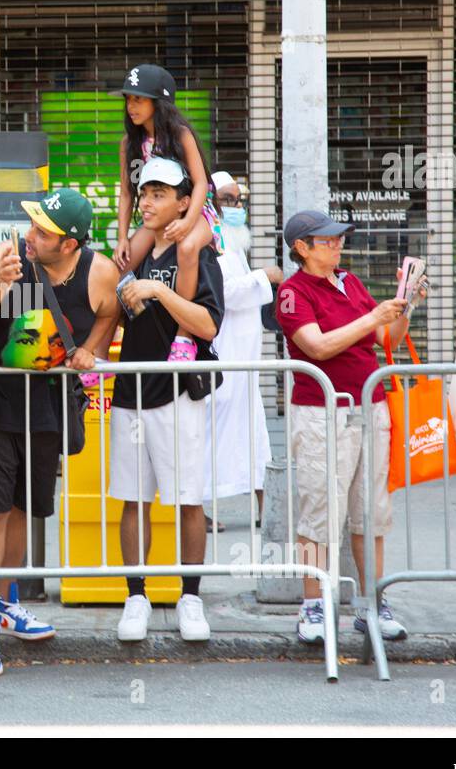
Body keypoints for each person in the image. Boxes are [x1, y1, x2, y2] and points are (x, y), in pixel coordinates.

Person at [0, 187, 121, 676]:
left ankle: (6, 603)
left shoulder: (99, 271)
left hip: (47, 409)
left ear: (69, 244)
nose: (30, 236)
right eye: (31, 225)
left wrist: (90, 348)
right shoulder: (7, 257)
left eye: (42, 232)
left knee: (24, 510)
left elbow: (111, 312)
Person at [275, 209, 420, 645]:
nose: (338, 245)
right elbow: (316, 346)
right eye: (327, 240)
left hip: (369, 405)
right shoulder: (292, 291)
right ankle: (314, 605)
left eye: (339, 239)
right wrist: (374, 318)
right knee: (320, 508)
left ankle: (372, 603)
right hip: (323, 410)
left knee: (370, 510)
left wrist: (404, 302)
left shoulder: (350, 282)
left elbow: (387, 340)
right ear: (301, 248)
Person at [109, 158, 225, 643]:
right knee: (133, 499)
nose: (151, 201)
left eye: (163, 193)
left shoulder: (198, 251)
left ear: (185, 202)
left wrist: (158, 290)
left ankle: (190, 598)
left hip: (178, 394)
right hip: (131, 390)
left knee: (186, 499)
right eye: (146, 193)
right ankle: (136, 596)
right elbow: (109, 314)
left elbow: (208, 324)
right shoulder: (131, 253)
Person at [112, 63, 217, 365]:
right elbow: (127, 193)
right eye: (128, 99)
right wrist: (121, 237)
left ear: (159, 103)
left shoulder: (180, 134)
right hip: (158, 217)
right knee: (121, 262)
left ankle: (184, 338)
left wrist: (186, 222)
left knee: (186, 248)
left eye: (139, 99)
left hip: (198, 212)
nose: (131, 106)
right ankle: (104, 346)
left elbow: (201, 185)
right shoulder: (129, 143)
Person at [202, 171, 280, 527]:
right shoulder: (209, 243)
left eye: (238, 200)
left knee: (254, 436)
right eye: (228, 200)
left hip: (246, 359)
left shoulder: (232, 242)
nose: (236, 207)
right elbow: (225, 293)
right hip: (223, 355)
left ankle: (267, 508)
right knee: (210, 434)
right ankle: (200, 510)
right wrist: (267, 277)